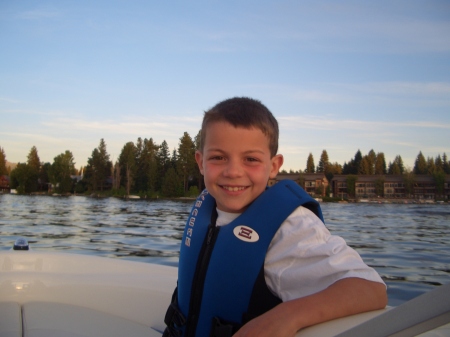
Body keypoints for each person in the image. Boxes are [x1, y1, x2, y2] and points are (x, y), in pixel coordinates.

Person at [163, 97, 387, 337]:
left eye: (251, 159)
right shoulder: (207, 210)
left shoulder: (289, 227)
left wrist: (288, 317)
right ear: (201, 162)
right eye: (218, 157)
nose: (233, 172)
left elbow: (371, 289)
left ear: (274, 166)